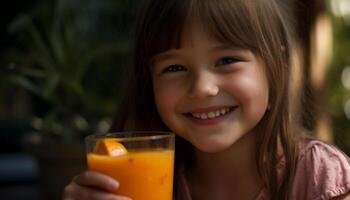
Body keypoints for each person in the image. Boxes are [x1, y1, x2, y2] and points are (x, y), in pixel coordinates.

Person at [63, 0, 350, 199]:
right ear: (149, 82)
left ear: (275, 71)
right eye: (174, 68)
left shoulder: (317, 176)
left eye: (227, 60)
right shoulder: (139, 179)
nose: (202, 88)